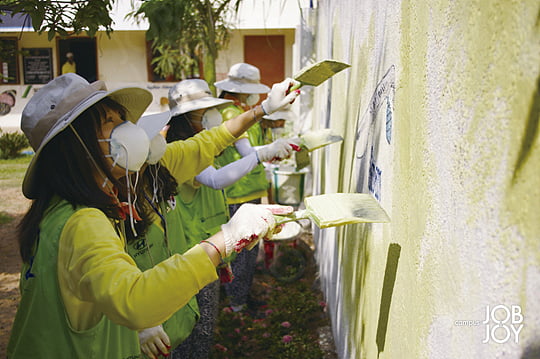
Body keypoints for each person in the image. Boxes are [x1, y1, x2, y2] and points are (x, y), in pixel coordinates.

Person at [7, 73, 299, 358]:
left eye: (124, 122)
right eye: (111, 124)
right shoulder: (83, 220)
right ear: (76, 146)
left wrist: (261, 110)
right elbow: (134, 300)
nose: (130, 133)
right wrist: (224, 241)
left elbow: (206, 144)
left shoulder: (60, 210)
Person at [153, 79, 296, 359]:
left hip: (206, 252)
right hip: (189, 255)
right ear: (184, 118)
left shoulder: (201, 149)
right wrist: (260, 155)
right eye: (202, 112)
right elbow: (215, 180)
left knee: (203, 331)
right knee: (187, 333)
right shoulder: (180, 151)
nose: (210, 118)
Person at [214, 62, 294, 314]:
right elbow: (246, 153)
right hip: (236, 194)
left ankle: (240, 299)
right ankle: (238, 306)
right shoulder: (230, 113)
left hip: (244, 191)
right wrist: (272, 150)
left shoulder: (238, 109)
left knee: (247, 252)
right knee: (242, 254)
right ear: (238, 90)